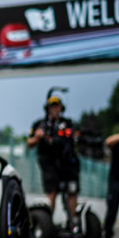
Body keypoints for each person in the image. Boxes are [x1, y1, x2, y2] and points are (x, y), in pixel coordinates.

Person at [27, 95, 81, 228]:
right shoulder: (40, 124)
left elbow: (78, 137)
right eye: (52, 106)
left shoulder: (68, 123)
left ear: (61, 108)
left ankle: (74, 222)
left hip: (67, 163)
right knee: (52, 191)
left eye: (57, 106)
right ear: (48, 108)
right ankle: (47, 224)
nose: (55, 109)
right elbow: (29, 143)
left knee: (72, 190)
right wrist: (37, 137)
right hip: (49, 164)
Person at [104, 133, 119, 238]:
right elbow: (108, 141)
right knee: (112, 208)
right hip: (116, 179)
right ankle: (107, 235)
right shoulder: (116, 141)